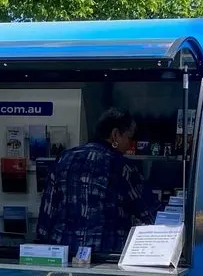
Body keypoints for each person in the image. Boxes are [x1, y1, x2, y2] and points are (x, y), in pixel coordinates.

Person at [35, 108, 155, 257]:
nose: (129, 144)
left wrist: (40, 251)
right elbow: (147, 214)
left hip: (64, 254)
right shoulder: (122, 167)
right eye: (129, 138)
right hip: (106, 256)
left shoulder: (63, 159)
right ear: (115, 135)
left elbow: (47, 213)